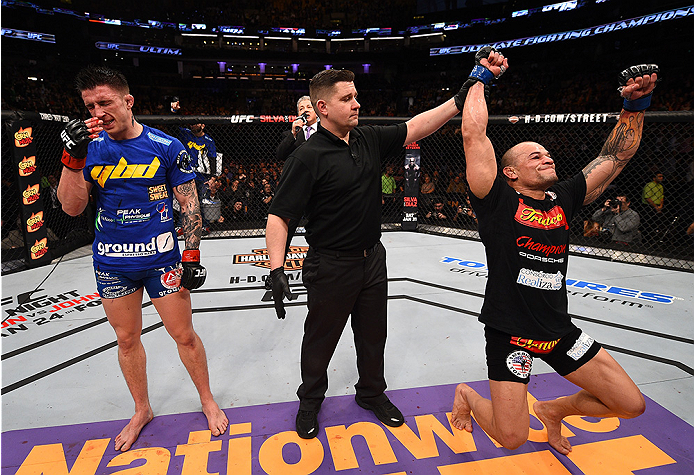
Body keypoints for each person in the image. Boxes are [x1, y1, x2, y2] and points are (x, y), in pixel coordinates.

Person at [449, 49, 656, 455]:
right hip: (511, 333)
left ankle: (553, 410)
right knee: (511, 439)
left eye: (547, 153)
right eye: (534, 156)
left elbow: (615, 156)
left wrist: (635, 104)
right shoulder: (496, 200)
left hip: (559, 331)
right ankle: (468, 397)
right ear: (510, 172)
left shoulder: (563, 197)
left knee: (631, 405)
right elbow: (474, 135)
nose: (547, 158)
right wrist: (479, 78)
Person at [265, 67, 480, 439]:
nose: (356, 103)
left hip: (372, 259)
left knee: (372, 335)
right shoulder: (307, 157)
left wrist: (457, 102)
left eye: (355, 95)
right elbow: (279, 216)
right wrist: (276, 268)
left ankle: (371, 393)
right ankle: (311, 401)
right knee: (320, 339)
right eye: (346, 98)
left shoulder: (366, 139)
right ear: (323, 107)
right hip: (330, 264)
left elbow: (417, 127)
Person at [56, 65, 228, 452]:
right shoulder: (88, 148)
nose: (97, 113)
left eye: (105, 103)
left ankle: (206, 399)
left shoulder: (166, 146)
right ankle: (141, 409)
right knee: (127, 339)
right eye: (89, 106)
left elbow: (189, 203)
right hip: (113, 261)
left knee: (184, 335)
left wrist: (192, 254)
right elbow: (70, 208)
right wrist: (72, 156)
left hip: (162, 259)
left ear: (128, 101)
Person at [275, 95, 319, 162]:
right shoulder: (289, 135)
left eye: (309, 107)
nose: (305, 110)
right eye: (301, 109)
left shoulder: (325, 130)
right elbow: (280, 155)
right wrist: (293, 133)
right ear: (299, 115)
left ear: (316, 112)